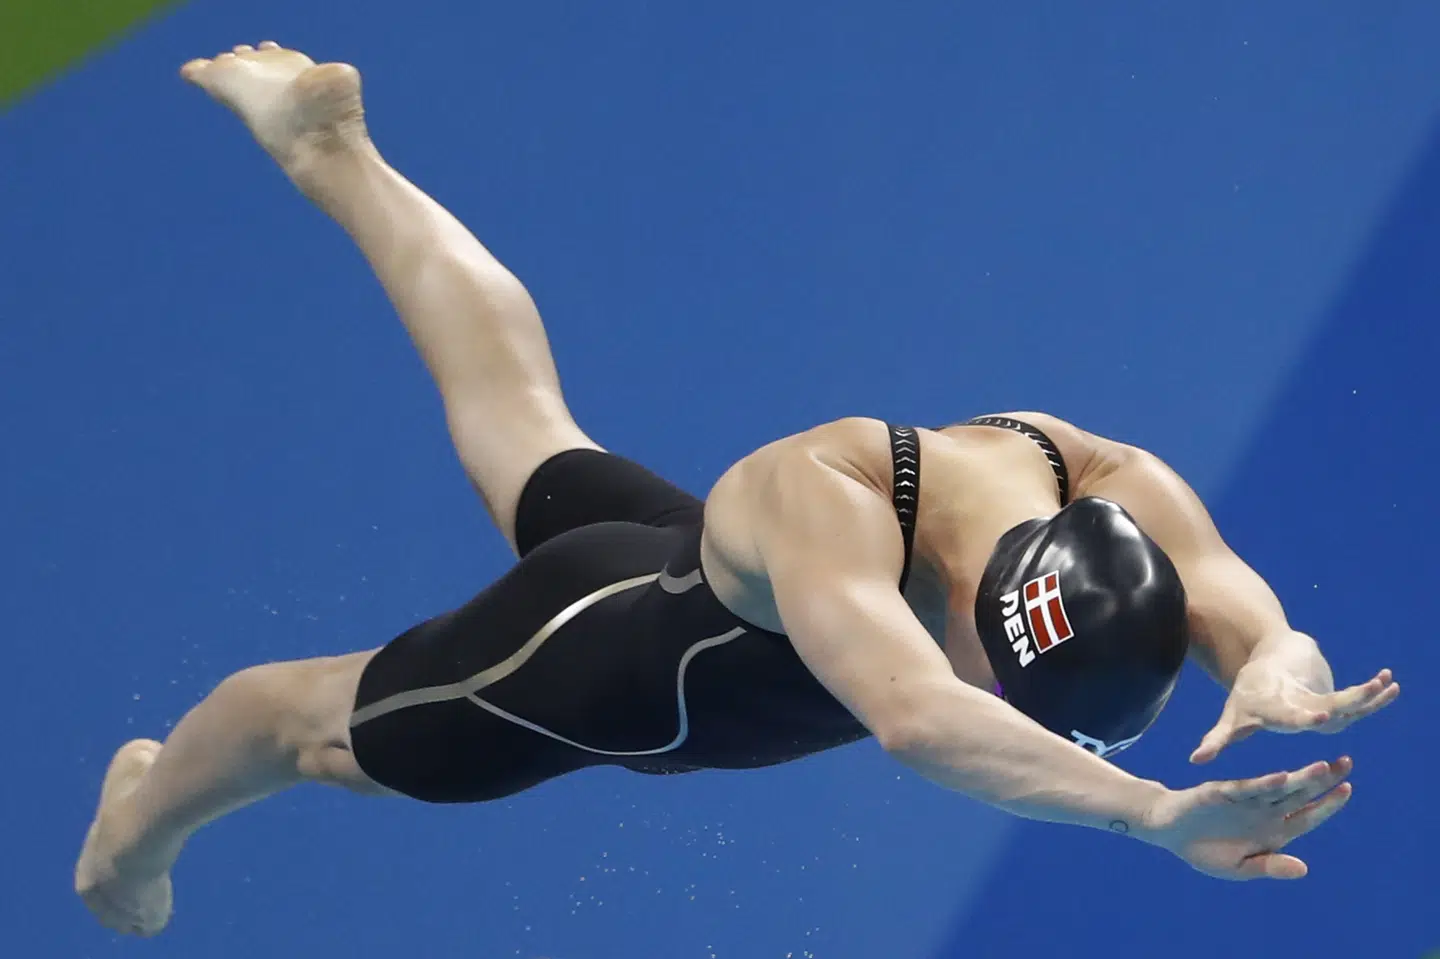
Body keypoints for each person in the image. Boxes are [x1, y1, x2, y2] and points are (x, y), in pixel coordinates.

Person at [75, 43, 1400, 938]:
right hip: (610, 655)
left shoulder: (1081, 469)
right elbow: (921, 718)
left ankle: (334, 155)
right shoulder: (824, 491)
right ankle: (133, 831)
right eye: (1013, 689)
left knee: (522, 419)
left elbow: (1235, 601)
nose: (1005, 708)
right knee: (306, 728)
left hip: (671, 559)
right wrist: (1153, 815)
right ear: (971, 607)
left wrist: (1278, 662)